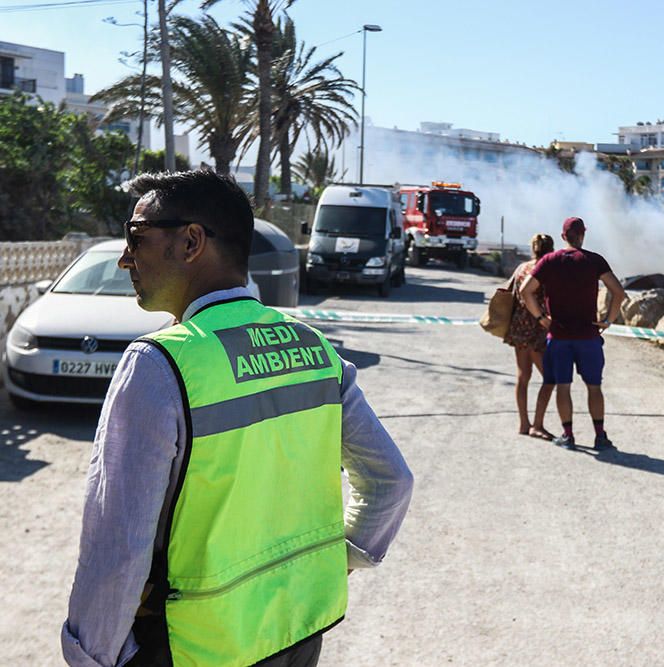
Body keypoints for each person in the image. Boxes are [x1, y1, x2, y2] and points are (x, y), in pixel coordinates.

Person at [61, 170, 414, 666]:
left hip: (194, 647)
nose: (125, 258)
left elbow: (119, 545)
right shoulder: (313, 347)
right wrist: (334, 563)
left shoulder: (160, 364)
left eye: (136, 238)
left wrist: (90, 656)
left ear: (190, 242)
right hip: (298, 631)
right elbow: (391, 480)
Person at [520, 217, 626, 451]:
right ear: (583, 235)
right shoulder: (594, 260)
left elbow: (525, 290)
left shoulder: (549, 261)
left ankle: (568, 435)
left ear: (563, 236)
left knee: (563, 386)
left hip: (558, 337)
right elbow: (618, 292)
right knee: (594, 387)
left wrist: (541, 318)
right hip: (588, 336)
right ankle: (600, 436)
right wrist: (608, 320)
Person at [504, 233, 557, 439]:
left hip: (518, 327)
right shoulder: (548, 271)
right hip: (538, 328)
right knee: (549, 378)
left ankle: (524, 423)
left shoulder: (521, 268)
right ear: (550, 250)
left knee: (523, 376)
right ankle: (538, 424)